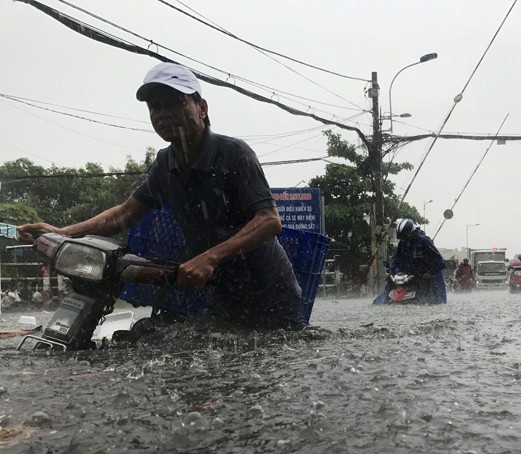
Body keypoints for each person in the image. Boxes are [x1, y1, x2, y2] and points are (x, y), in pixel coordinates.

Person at [17, 62, 303, 330]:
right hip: (222, 291)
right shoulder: (166, 164)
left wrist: (210, 258)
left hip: (270, 291)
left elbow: (268, 221)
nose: (163, 113)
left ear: (201, 108)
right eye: (155, 106)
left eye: (175, 102)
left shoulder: (234, 154)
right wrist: (62, 232)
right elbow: (125, 214)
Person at [373, 219, 447, 305]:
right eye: (403, 238)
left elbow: (439, 261)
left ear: (412, 232)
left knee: (433, 301)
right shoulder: (403, 243)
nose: (405, 240)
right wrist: (391, 270)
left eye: (406, 237)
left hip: (428, 278)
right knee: (383, 297)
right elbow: (395, 257)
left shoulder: (424, 241)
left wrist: (430, 272)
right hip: (408, 277)